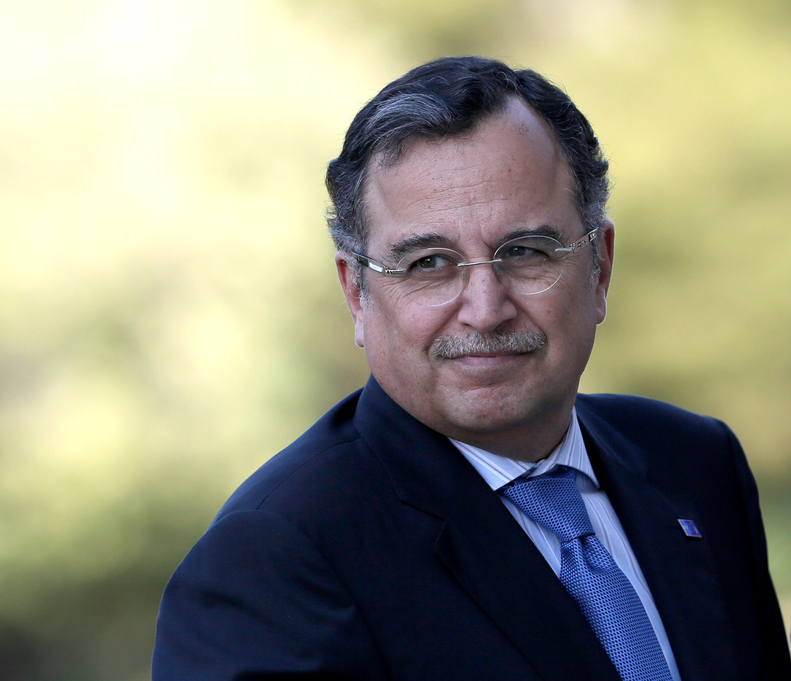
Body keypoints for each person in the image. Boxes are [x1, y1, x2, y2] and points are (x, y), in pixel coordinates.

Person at [151, 56, 791, 680]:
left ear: (599, 268)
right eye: (428, 263)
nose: (485, 310)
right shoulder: (276, 559)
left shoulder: (694, 464)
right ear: (357, 294)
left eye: (525, 251)